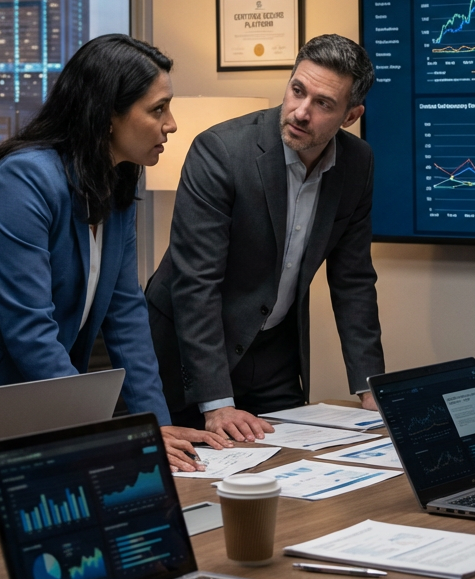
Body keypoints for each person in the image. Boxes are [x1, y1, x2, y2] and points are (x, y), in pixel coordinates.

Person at [0, 34, 227, 482]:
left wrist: (152, 425)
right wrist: (112, 434)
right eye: (158, 109)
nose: (171, 124)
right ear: (106, 115)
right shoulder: (23, 181)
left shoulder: (116, 186)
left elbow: (126, 318)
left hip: (17, 399)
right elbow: (29, 329)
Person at [145, 34, 385, 442]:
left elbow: (354, 280)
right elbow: (196, 284)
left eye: (323, 103)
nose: (301, 112)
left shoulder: (357, 163)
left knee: (294, 468)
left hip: (274, 352)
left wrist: (370, 386)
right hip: (188, 353)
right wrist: (216, 400)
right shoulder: (221, 152)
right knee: (194, 478)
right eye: (297, 91)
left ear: (350, 115)